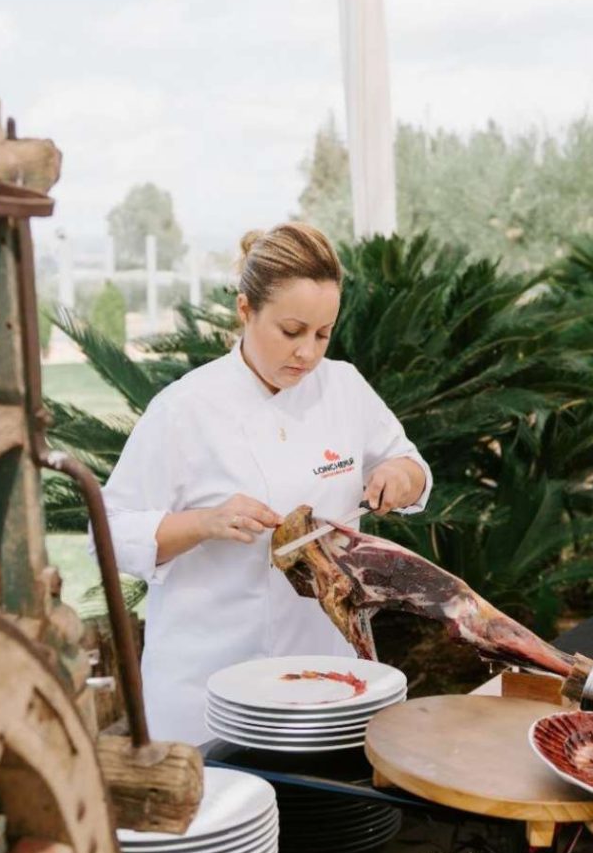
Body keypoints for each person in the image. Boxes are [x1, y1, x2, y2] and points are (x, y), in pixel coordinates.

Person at [98, 223, 432, 743]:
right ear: (245, 309)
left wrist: (398, 477)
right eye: (291, 330)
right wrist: (205, 523)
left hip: (327, 675)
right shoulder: (184, 409)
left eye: (323, 334)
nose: (308, 353)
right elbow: (112, 530)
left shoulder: (344, 387)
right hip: (206, 690)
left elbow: (409, 464)